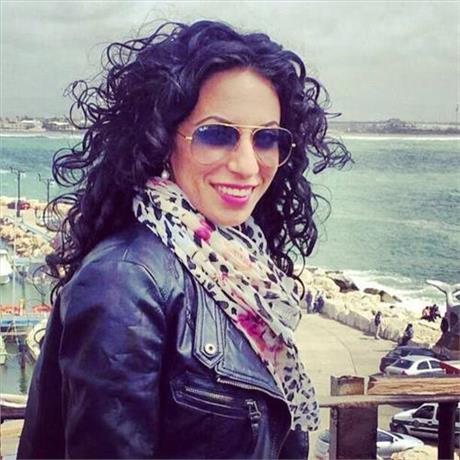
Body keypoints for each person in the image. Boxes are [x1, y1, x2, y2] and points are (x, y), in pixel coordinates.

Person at [18, 20, 350, 459]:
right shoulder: (124, 282)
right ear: (159, 138)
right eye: (217, 134)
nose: (248, 166)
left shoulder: (235, 266)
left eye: (267, 138)